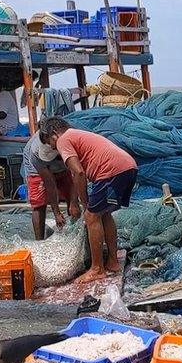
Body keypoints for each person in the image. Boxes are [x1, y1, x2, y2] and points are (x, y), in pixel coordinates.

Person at [40, 117, 137, 283]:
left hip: (111, 170)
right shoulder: (77, 135)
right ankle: (112, 261)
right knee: (103, 214)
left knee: (92, 216)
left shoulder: (64, 140)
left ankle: (97, 269)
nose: (52, 147)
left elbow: (78, 173)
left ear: (54, 134)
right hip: (128, 167)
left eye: (49, 142)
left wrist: (84, 204)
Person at [22, 124, 80, 240]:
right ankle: (39, 242)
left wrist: (74, 202)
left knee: (72, 202)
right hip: (37, 169)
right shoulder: (36, 154)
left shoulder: (71, 141)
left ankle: (74, 236)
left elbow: (76, 175)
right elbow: (50, 184)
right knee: (39, 205)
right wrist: (56, 213)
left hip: (63, 164)